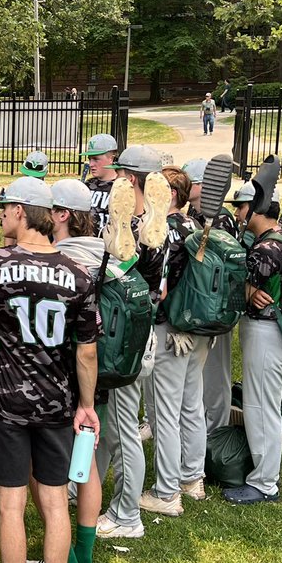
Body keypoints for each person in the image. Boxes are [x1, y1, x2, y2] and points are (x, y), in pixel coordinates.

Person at [0, 178, 101, 563]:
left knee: (11, 505)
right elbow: (86, 352)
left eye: (5, 208)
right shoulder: (78, 272)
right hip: (57, 401)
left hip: (7, 402)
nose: (0, 215)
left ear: (21, 212)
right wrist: (86, 405)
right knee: (54, 504)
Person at [94, 145, 170, 539]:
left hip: (130, 339)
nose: (116, 179)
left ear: (134, 179)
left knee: (124, 432)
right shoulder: (154, 221)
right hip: (136, 334)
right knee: (110, 425)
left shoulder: (141, 227)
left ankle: (127, 515)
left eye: (122, 173)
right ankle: (84, 489)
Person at [140, 166, 210, 517]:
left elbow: (161, 289)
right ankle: (192, 478)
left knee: (163, 413)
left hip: (171, 328)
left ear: (168, 195)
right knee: (190, 405)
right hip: (198, 328)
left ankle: (166, 491)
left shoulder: (164, 229)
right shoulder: (194, 226)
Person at [226, 185, 282, 504]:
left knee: (261, 408)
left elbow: (233, 293)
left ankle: (265, 483)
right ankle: (263, 474)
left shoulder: (266, 248)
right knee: (261, 405)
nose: (239, 214)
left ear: (257, 209)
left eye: (242, 208)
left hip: (267, 332)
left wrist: (245, 290)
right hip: (275, 332)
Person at [184, 158, 240, 432]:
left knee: (216, 371)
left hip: (216, 306)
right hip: (196, 303)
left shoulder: (221, 219)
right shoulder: (192, 214)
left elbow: (225, 267)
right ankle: (199, 421)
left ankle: (217, 427)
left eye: (189, 182)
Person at [80, 133, 118, 233]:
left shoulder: (121, 188)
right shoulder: (85, 187)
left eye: (96, 159)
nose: (91, 164)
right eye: (90, 159)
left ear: (111, 158)